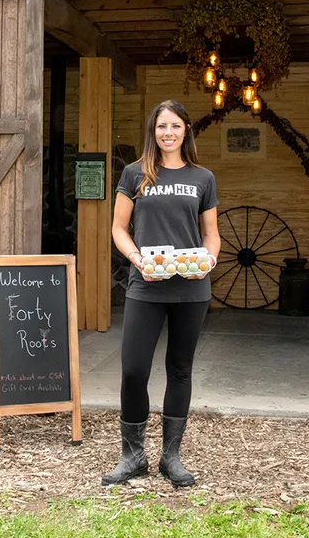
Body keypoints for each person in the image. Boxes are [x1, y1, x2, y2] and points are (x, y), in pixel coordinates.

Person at [102, 99, 220, 488]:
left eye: (175, 126)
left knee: (179, 369)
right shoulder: (135, 173)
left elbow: (211, 235)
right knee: (134, 369)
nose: (168, 133)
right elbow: (119, 228)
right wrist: (136, 258)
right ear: (153, 132)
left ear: (186, 130)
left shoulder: (203, 178)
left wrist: (210, 261)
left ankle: (172, 457)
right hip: (146, 285)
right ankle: (133, 455)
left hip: (191, 288)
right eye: (161, 127)